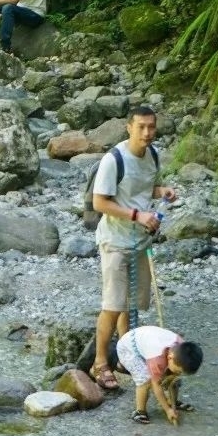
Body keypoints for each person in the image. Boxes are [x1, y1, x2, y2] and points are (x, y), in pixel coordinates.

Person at [90, 105, 177, 391]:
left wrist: (160, 192)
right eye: (141, 126)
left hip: (140, 240)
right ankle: (100, 363)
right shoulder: (114, 159)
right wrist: (138, 215)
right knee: (113, 304)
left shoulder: (152, 154)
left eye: (151, 126)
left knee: (134, 303)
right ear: (128, 127)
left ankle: (126, 356)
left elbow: (144, 188)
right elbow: (99, 203)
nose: (147, 132)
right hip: (114, 240)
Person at [116, 325, 202, 425]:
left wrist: (173, 375)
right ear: (170, 357)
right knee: (145, 380)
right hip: (128, 349)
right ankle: (140, 411)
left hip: (147, 341)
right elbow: (156, 386)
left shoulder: (182, 347)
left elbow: (174, 372)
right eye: (178, 371)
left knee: (174, 378)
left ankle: (172, 401)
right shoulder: (157, 359)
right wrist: (167, 410)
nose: (179, 373)